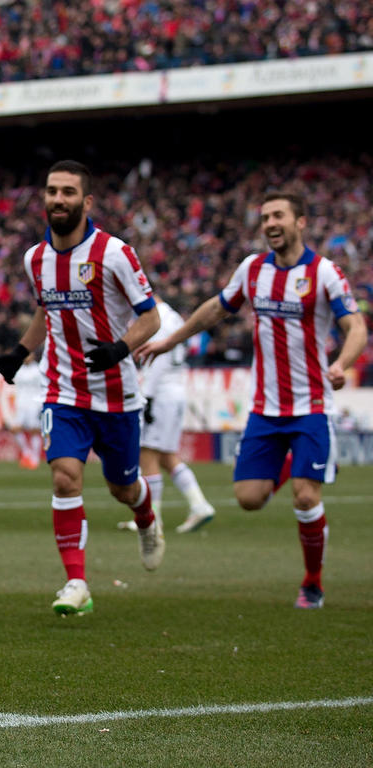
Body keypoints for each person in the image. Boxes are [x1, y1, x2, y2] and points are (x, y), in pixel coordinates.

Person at [136, 190, 367, 609]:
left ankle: (312, 582)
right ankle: (291, 466)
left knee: (305, 497)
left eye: (278, 215)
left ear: (300, 222)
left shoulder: (325, 273)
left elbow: (356, 327)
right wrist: (170, 341)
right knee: (248, 499)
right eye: (265, 218)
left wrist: (341, 364)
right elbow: (216, 309)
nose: (270, 224)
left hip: (312, 406)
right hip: (265, 410)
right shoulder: (253, 269)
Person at [0, 160, 163, 617]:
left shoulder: (114, 254)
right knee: (65, 475)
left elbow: (151, 318)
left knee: (123, 489)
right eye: (51, 191)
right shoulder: (35, 258)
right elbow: (46, 313)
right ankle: (76, 582)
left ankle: (146, 515)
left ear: (86, 201)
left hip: (117, 394)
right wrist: (20, 352)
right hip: (64, 390)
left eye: (68, 192)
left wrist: (119, 349)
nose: (58, 200)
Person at [118, 297, 217, 533]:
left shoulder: (155, 319)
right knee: (166, 456)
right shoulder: (172, 316)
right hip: (175, 389)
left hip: (161, 393)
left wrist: (148, 397)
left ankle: (153, 518)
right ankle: (199, 504)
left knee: (147, 454)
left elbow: (157, 359)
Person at [7, 356, 44, 469]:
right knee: (14, 429)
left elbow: (43, 387)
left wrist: (41, 405)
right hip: (21, 404)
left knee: (34, 431)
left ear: (33, 355)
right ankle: (27, 452)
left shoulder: (39, 369)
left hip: (34, 404)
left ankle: (35, 458)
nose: (27, 357)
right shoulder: (19, 370)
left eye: (29, 355)